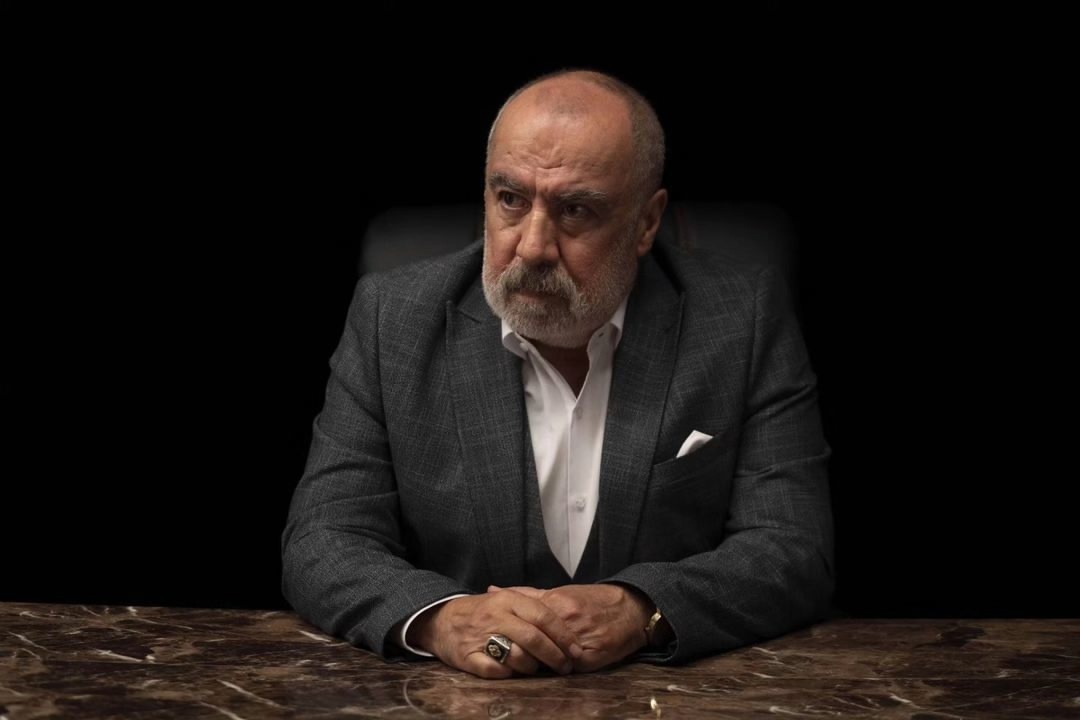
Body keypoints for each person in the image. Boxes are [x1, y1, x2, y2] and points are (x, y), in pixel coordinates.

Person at [281, 69, 833, 679]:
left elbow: (792, 546)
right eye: (510, 200)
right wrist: (442, 619)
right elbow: (323, 538)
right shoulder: (393, 317)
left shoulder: (741, 317)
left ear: (647, 223)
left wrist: (641, 610)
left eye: (575, 210)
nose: (533, 246)